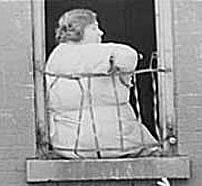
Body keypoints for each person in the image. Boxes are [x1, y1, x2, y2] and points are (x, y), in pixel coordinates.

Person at [45, 8, 161, 159]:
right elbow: (128, 56)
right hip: (118, 142)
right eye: (94, 28)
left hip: (69, 145)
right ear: (79, 31)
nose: (101, 32)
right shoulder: (102, 53)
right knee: (154, 152)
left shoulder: (55, 58)